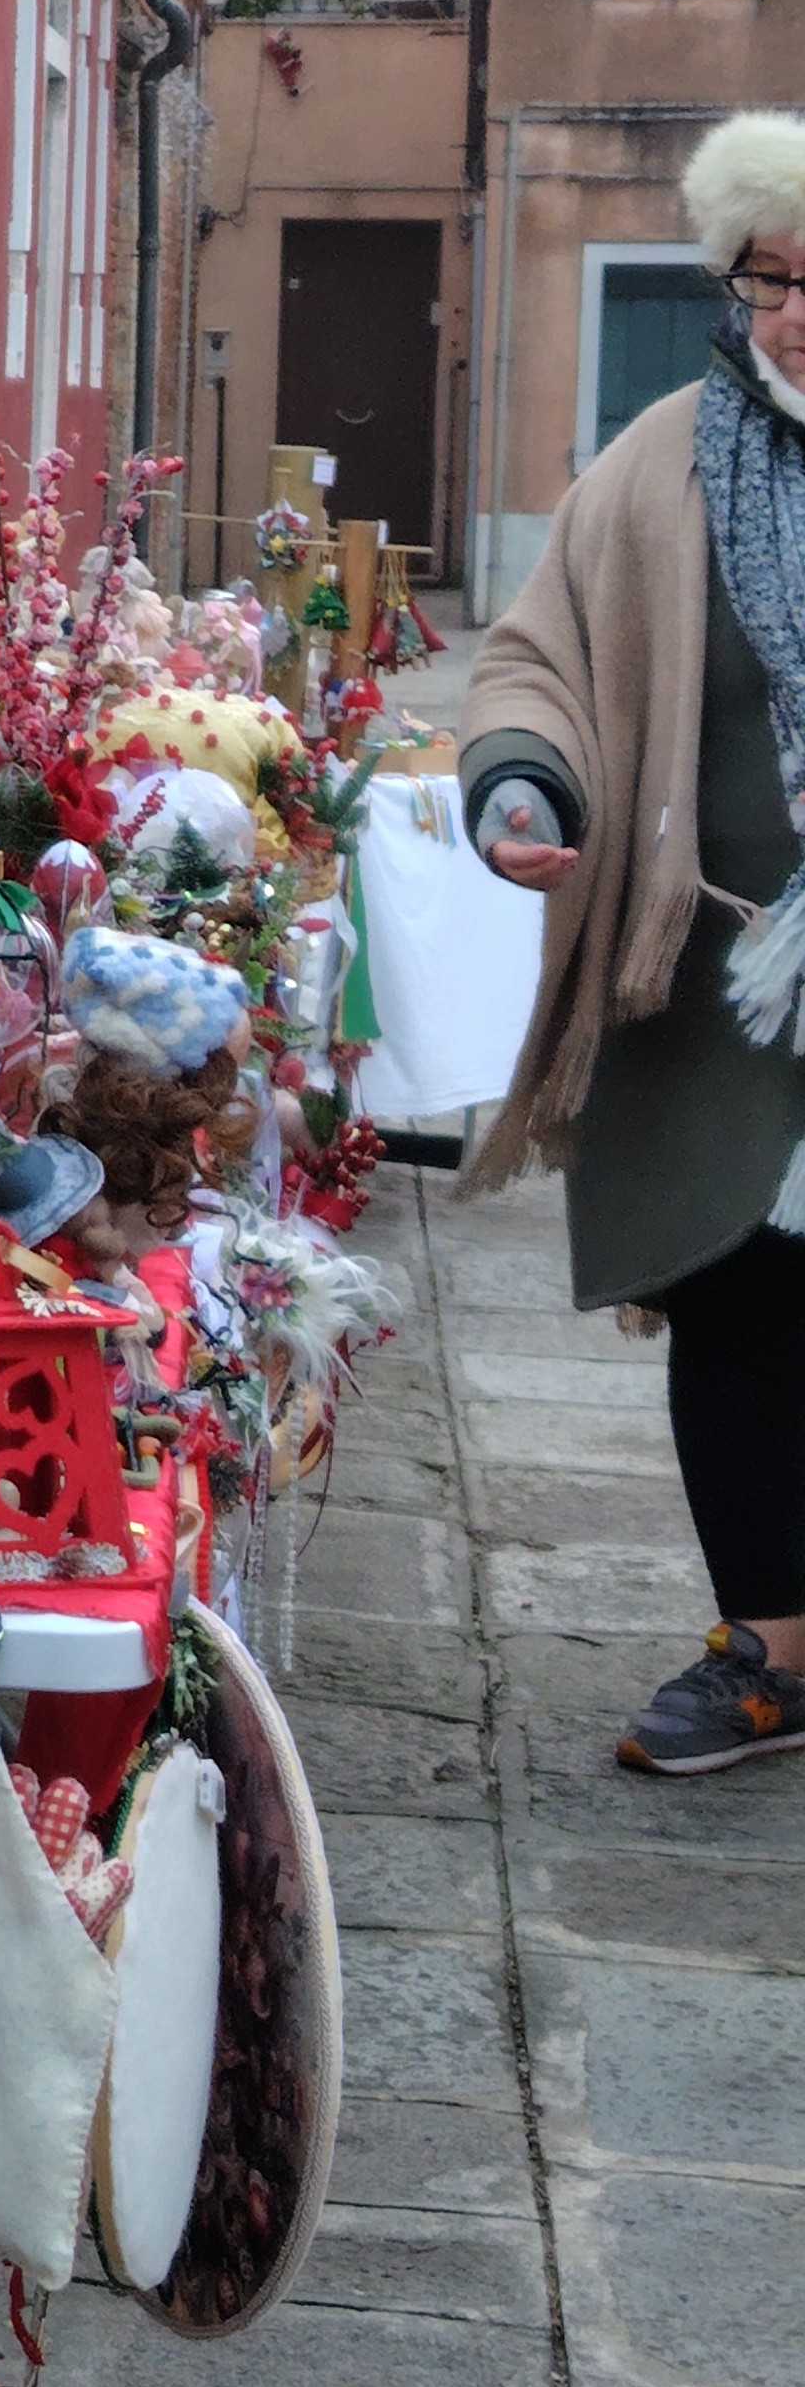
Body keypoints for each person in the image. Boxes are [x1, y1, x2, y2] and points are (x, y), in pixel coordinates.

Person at [464, 111, 805, 1774]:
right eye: (768, 280)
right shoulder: (660, 466)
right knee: (743, 1298)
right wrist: (522, 782)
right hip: (722, 977)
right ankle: (771, 1650)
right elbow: (539, 657)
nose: (794, 313)